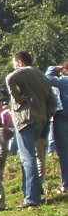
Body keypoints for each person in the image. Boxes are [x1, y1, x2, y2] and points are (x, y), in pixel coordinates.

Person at [6, 51, 55, 208]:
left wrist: (17, 99)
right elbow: (52, 101)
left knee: (27, 158)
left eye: (14, 63)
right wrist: (45, 115)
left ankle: (31, 198)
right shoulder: (42, 76)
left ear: (20, 62)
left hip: (25, 119)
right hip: (39, 120)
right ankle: (33, 191)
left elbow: (9, 78)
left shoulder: (23, 72)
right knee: (31, 157)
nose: (14, 66)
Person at [45, 61, 68, 193]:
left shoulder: (64, 81)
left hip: (62, 119)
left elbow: (47, 78)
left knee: (64, 153)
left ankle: (66, 184)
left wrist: (55, 68)